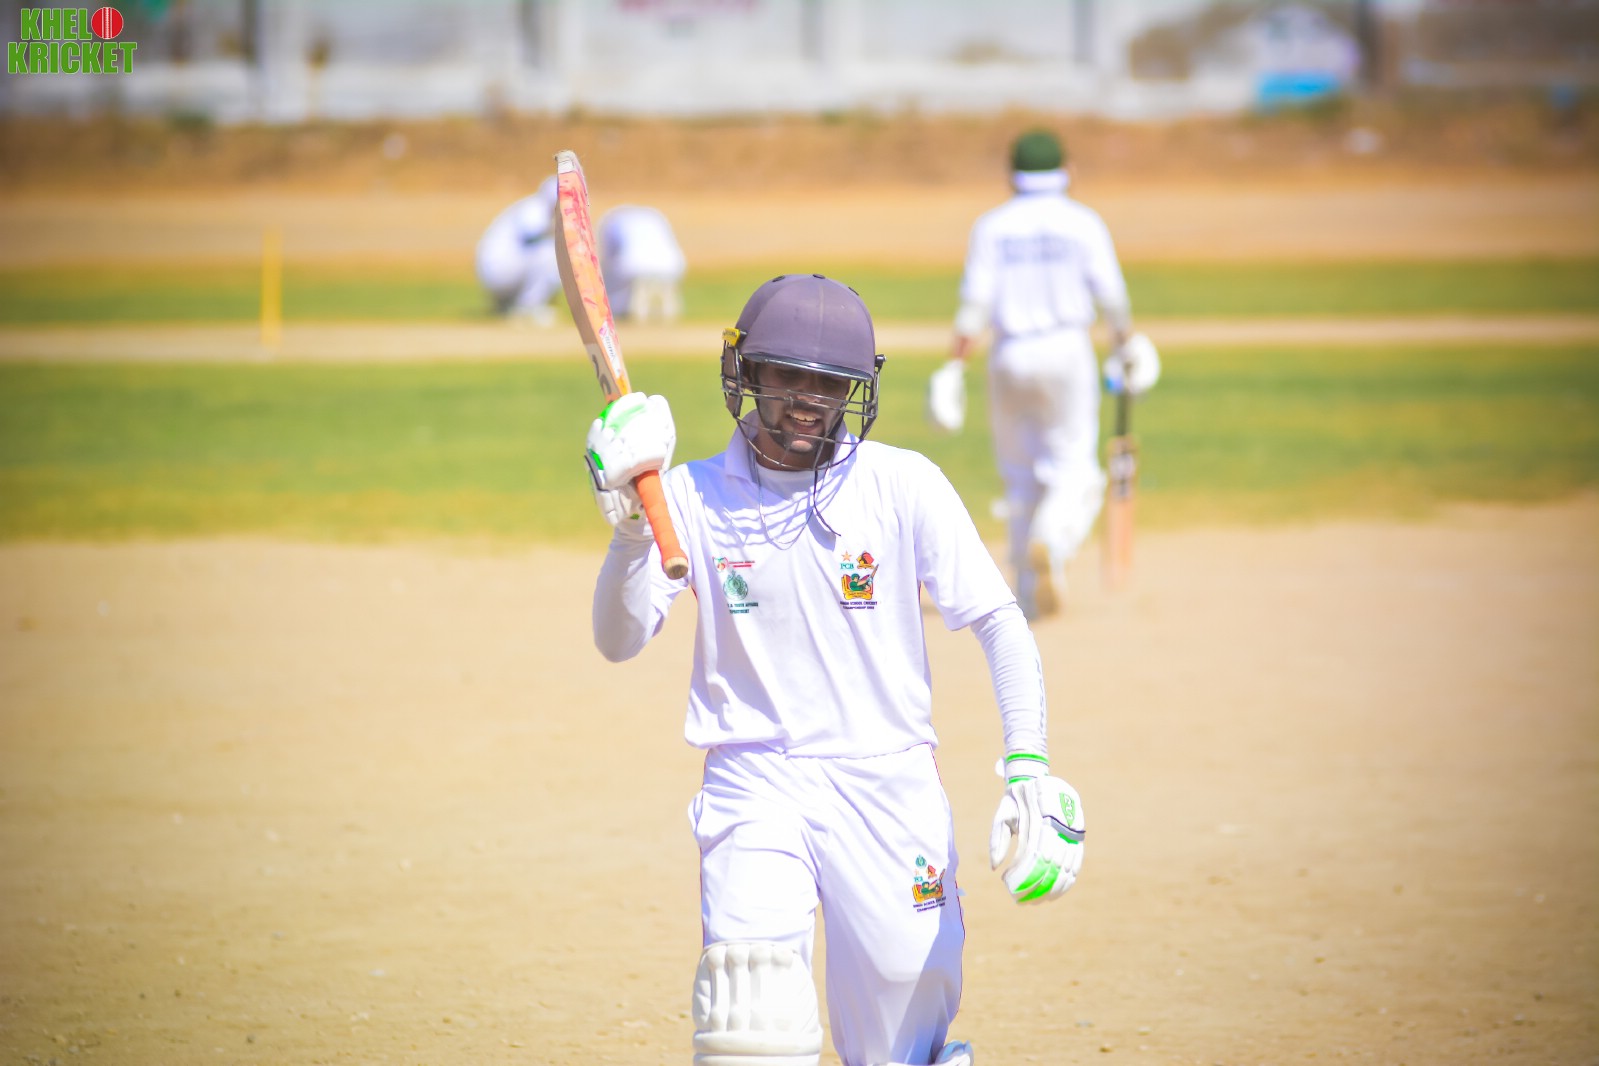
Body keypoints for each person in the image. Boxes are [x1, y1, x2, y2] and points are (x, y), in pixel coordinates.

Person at [583, 273, 1087, 1066]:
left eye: (830, 384)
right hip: (753, 777)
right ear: (746, 372)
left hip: (887, 780)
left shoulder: (902, 483)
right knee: (751, 1015)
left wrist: (1029, 763)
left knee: (897, 1042)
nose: (808, 401)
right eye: (788, 377)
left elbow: (997, 620)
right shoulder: (690, 495)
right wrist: (629, 533)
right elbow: (618, 640)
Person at [928, 129, 1154, 619]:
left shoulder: (992, 226)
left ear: (1012, 173)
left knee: (1019, 475)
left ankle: (1026, 589)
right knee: (1074, 468)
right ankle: (1052, 542)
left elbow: (974, 308)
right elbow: (1112, 298)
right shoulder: (1083, 222)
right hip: (1067, 351)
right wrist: (1125, 346)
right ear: (1067, 170)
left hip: (1008, 354)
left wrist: (954, 366)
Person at [475, 175, 562, 324]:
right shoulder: (535, 207)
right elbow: (532, 237)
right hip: (500, 270)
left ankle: (509, 306)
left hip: (502, 269)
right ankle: (528, 308)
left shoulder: (534, 206)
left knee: (550, 250)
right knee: (550, 253)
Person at [597, 204, 688, 324]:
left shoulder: (613, 221)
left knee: (617, 276)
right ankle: (667, 315)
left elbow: (607, 255)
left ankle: (619, 309)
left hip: (634, 265)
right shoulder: (655, 217)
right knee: (665, 293)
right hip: (671, 265)